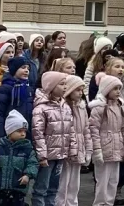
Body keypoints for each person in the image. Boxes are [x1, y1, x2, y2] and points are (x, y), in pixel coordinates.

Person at [32, 71, 76, 206]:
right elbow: (37, 133)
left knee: (53, 188)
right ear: (51, 86)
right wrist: (42, 155)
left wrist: (72, 149)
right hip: (47, 156)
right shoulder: (41, 108)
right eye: (61, 84)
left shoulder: (65, 106)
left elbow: (71, 129)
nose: (65, 87)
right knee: (41, 188)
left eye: (65, 84)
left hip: (60, 155)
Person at [89, 74, 124, 206]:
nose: (118, 91)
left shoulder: (120, 105)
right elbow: (94, 129)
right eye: (115, 88)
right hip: (104, 148)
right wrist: (97, 151)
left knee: (113, 180)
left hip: (117, 148)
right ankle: (100, 203)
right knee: (102, 180)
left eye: (119, 88)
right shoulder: (99, 106)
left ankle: (109, 202)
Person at [55, 76, 92, 206]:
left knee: (74, 183)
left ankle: (72, 203)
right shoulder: (64, 107)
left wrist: (89, 150)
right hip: (66, 149)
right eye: (77, 90)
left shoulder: (82, 107)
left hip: (80, 147)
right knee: (63, 181)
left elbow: (86, 130)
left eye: (82, 90)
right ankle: (61, 203)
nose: (80, 93)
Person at [0, 110, 39, 206]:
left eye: (24, 131)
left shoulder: (27, 149)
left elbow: (33, 163)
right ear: (9, 132)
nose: (23, 134)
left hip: (18, 189)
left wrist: (28, 175)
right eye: (19, 131)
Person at [0, 56, 34, 140]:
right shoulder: (4, 89)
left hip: (25, 133)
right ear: (14, 70)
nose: (26, 70)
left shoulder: (29, 89)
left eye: (28, 68)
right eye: (23, 67)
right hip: (8, 134)